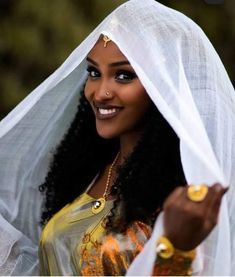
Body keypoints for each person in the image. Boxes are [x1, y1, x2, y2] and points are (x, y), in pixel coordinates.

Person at [0, 0, 234, 275]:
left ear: (162, 87)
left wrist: (175, 248)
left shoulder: (186, 196)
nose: (100, 92)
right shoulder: (85, 173)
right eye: (94, 73)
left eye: (123, 75)